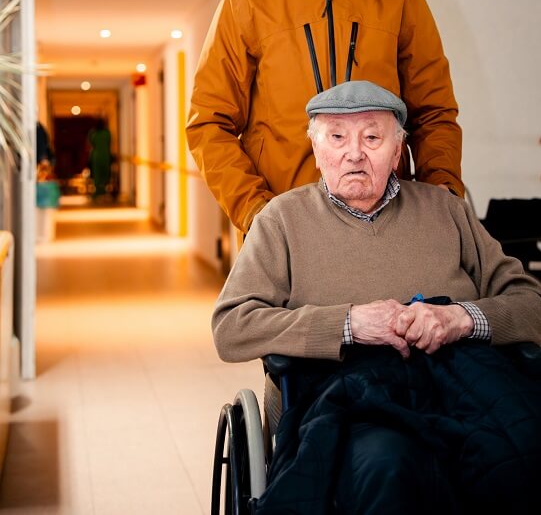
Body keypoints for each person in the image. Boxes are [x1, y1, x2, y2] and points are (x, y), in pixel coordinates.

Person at [212, 81, 541, 514]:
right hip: (348, 401)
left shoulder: (446, 209)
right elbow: (231, 326)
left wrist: (462, 318)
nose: (354, 153)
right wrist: (348, 325)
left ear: (399, 148)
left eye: (371, 137)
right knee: (390, 464)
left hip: (461, 388)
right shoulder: (282, 220)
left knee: (520, 448)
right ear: (315, 148)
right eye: (336, 137)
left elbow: (530, 303)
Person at [187, 0, 463, 239]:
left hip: (387, 217)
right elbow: (209, 124)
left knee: (387, 305)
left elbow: (434, 112)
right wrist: (256, 213)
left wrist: (441, 198)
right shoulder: (246, 3)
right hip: (285, 221)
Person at [88, 117, 111, 198]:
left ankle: (98, 191)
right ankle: (103, 190)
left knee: (97, 174)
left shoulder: (94, 134)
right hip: (105, 156)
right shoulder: (107, 133)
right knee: (105, 173)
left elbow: (91, 143)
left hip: (96, 156)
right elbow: (109, 143)